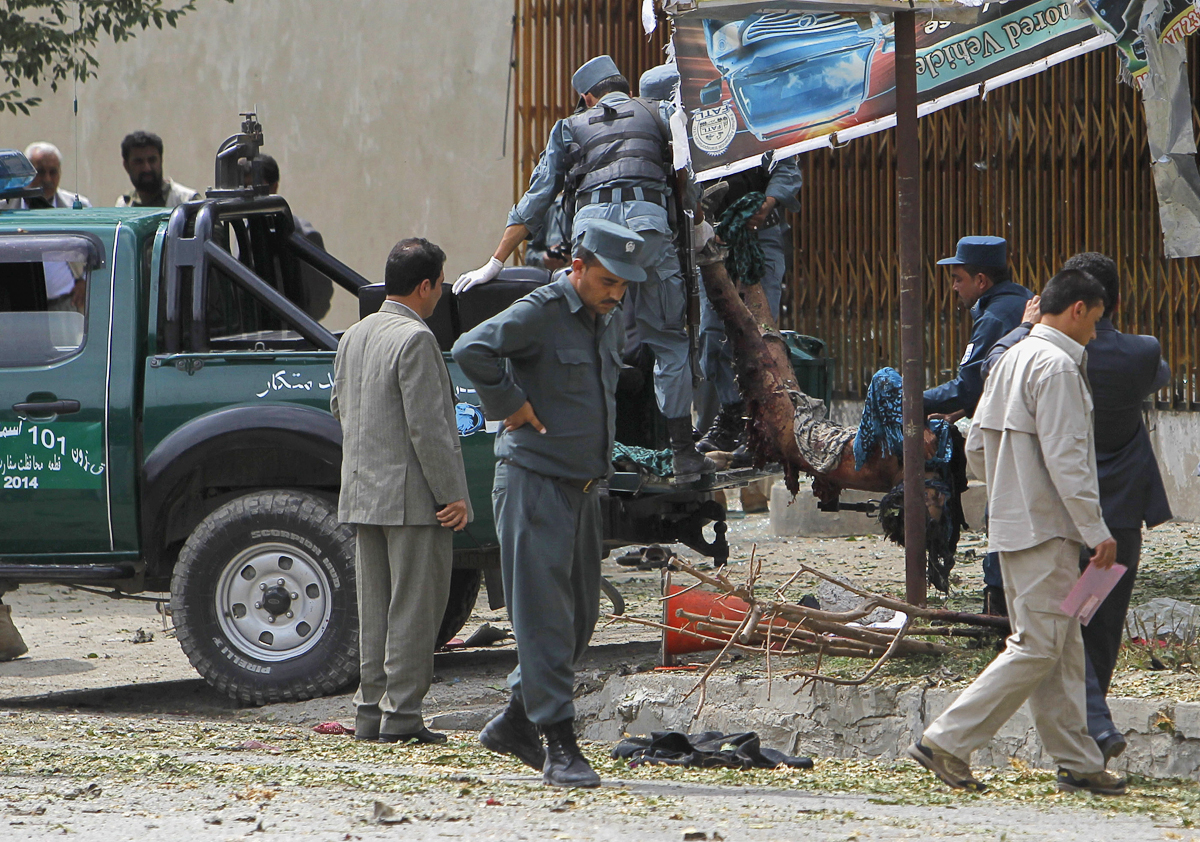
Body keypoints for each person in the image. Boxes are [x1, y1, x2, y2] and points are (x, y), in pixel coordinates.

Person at [909, 268, 1125, 797]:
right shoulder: (1055, 367)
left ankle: (1078, 759)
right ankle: (947, 741)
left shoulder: (1013, 357)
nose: (1095, 333)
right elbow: (1068, 460)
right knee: (1037, 644)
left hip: (1015, 523)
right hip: (1046, 527)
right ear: (1078, 309)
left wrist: (1006, 493)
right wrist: (1097, 531)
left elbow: (976, 443)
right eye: (1095, 321)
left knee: (1059, 643)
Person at [453, 55, 714, 481]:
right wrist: (698, 222)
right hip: (651, 235)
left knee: (584, 337)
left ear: (587, 97)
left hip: (593, 242)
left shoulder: (569, 128)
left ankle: (591, 443)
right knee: (668, 343)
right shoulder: (658, 112)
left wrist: (494, 261)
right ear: (625, 89)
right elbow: (688, 172)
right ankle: (683, 453)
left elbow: (536, 200)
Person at [452, 220, 647, 788]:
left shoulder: (601, 320)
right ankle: (560, 745)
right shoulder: (540, 309)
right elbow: (472, 348)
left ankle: (515, 719)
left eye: (625, 286)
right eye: (608, 281)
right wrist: (510, 405)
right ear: (578, 267)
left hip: (583, 488)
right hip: (534, 483)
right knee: (542, 622)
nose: (618, 294)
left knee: (581, 618)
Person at [983, 251, 1172, 764]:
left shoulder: (1024, 355)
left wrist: (1023, 329)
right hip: (1115, 514)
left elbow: (988, 384)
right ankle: (1093, 733)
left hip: (1055, 515)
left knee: (1063, 631)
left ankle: (1089, 737)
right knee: (1095, 628)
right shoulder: (1137, 353)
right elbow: (1160, 374)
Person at [330, 237, 472, 745]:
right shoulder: (416, 340)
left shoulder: (354, 335)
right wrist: (452, 494)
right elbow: (429, 429)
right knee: (413, 609)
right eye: (440, 286)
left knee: (374, 609)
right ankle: (403, 717)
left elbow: (340, 410)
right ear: (426, 285)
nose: (440, 297)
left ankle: (369, 714)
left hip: (363, 494)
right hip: (413, 500)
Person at [924, 236, 1033, 613]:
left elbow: (970, 385)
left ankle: (999, 608)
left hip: (1016, 433)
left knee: (1002, 516)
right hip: (1035, 427)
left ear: (981, 280)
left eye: (958, 279)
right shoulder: (1021, 301)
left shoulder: (995, 317)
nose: (953, 287)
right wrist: (960, 411)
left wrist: (912, 401)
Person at [1, 142, 92, 312]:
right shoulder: (5, 209)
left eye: (53, 172)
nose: (48, 179)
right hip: (17, 306)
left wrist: (85, 280)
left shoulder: (77, 206)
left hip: (66, 304)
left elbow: (95, 250)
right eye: (41, 172)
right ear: (26, 174)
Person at [253, 154, 334, 320]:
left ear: (274, 187)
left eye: (257, 189)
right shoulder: (243, 233)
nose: (250, 198)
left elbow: (320, 297)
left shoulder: (303, 236)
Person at [115, 131, 201, 208]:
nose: (147, 168)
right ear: (126, 166)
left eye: (152, 160)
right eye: (139, 162)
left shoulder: (187, 201)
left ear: (161, 160)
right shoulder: (123, 205)